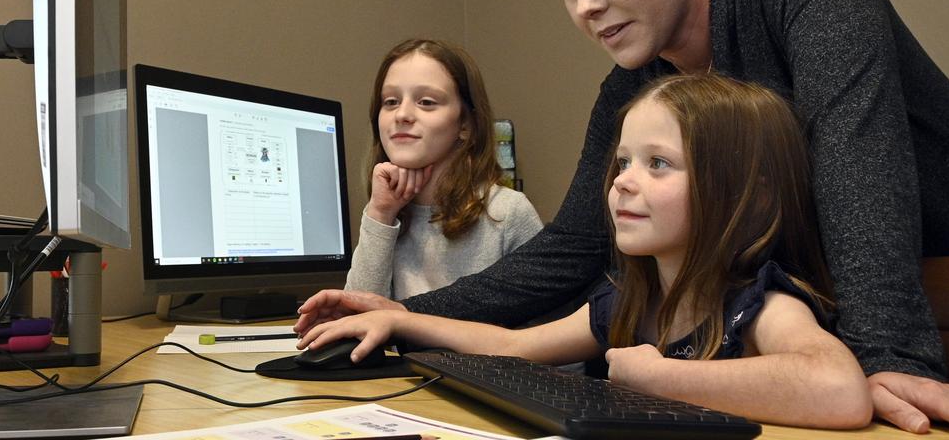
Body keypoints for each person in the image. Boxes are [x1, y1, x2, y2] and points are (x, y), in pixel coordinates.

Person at [297, 0, 949, 437]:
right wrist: (397, 319)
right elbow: (571, 247)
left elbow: (855, 154)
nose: (585, 7)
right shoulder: (632, 83)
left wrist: (892, 355)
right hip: (839, 339)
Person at [302, 75, 873, 429]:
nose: (622, 181)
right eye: (623, 162)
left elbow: (839, 391)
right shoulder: (628, 301)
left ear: (746, 194)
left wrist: (662, 377)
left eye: (659, 164)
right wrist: (402, 319)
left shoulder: (758, 305)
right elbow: (513, 344)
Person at [343, 38, 542, 300]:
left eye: (426, 102)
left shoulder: (508, 213)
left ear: (466, 125)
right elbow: (356, 319)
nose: (402, 114)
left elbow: (544, 326)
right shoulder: (384, 213)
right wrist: (380, 215)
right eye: (390, 101)